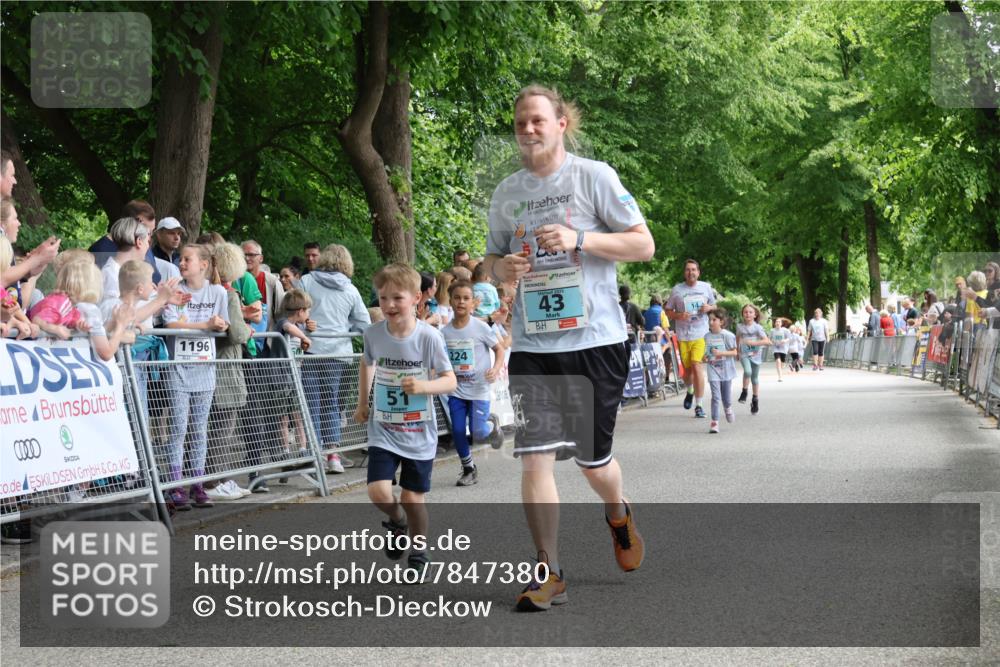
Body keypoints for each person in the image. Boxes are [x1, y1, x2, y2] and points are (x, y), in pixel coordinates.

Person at [483, 85, 654, 611]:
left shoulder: (593, 177)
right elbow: (490, 260)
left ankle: (618, 513)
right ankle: (549, 571)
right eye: (519, 124)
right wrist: (501, 269)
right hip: (534, 345)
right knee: (534, 458)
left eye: (537, 120)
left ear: (561, 123)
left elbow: (643, 245)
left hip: (595, 340)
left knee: (591, 462)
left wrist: (581, 240)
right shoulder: (506, 193)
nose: (528, 130)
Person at [353, 263, 456, 578]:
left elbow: (449, 380)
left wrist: (425, 386)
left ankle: (419, 551)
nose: (389, 305)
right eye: (383, 298)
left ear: (416, 299)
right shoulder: (373, 333)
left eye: (397, 298)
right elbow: (367, 363)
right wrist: (363, 402)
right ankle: (397, 521)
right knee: (378, 492)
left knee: (413, 497)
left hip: (418, 430)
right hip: (383, 428)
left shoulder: (429, 337)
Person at [161, 244, 230, 510]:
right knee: (178, 428)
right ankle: (175, 484)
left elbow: (223, 324)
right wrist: (206, 326)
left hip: (206, 370)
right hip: (179, 370)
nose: (181, 263)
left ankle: (198, 484)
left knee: (200, 429)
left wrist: (222, 325)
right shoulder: (175, 291)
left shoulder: (218, 292)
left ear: (203, 264)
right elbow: (172, 324)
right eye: (180, 259)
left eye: (186, 259)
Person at [300, 243, 371, 473]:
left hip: (311, 350)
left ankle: (315, 454)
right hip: (339, 353)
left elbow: (294, 311)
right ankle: (333, 454)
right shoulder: (350, 290)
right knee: (331, 402)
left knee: (311, 403)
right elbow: (364, 323)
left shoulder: (307, 282)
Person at [441, 279, 506, 486]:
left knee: (478, 433)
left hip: (479, 388)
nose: (461, 302)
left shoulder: (480, 327)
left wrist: (495, 369)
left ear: (473, 303)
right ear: (450, 301)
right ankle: (468, 468)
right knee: (459, 430)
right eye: (457, 298)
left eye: (466, 298)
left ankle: (491, 424)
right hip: (456, 390)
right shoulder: (444, 332)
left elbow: (499, 349)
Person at [28, 259, 133, 360]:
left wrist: (78, 327)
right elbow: (106, 353)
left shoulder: (69, 305)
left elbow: (77, 325)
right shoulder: (87, 309)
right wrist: (121, 325)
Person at [665, 259, 716, 418]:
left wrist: (709, 308)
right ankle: (690, 389)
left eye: (694, 269)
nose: (691, 272)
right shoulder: (677, 290)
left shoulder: (706, 287)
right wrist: (679, 315)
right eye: (688, 270)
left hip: (700, 333)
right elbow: (667, 310)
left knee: (697, 365)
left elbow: (714, 306)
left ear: (698, 272)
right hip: (683, 334)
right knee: (686, 372)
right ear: (684, 273)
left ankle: (699, 405)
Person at [89, 200, 162, 284]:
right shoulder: (99, 250)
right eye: (148, 232)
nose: (149, 238)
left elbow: (155, 279)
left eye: (152, 232)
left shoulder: (144, 245)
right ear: (135, 223)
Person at [100, 217, 151, 302]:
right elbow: (115, 312)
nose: (148, 247)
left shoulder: (118, 271)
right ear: (139, 242)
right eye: (147, 242)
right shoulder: (112, 275)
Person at [705, 309, 738, 433]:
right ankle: (714, 422)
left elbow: (735, 352)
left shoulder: (728, 335)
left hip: (726, 369)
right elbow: (707, 352)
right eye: (709, 320)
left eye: (714, 320)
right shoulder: (707, 336)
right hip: (713, 368)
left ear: (721, 322)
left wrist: (721, 353)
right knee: (715, 396)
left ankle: (728, 408)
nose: (711, 322)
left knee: (726, 398)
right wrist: (705, 356)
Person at [242, 239, 285, 332]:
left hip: (266, 338)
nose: (246, 258)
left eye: (251, 255)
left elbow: (281, 312)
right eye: (243, 255)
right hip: (241, 338)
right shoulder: (234, 280)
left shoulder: (272, 282)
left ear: (261, 258)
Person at [736, 304, 771, 415]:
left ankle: (755, 400)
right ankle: (744, 392)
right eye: (745, 312)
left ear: (755, 315)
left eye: (750, 312)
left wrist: (754, 343)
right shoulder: (739, 327)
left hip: (756, 354)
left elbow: (767, 341)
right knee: (747, 371)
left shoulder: (758, 328)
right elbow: (737, 338)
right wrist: (737, 350)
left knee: (755, 378)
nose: (748, 314)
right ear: (742, 314)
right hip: (744, 353)